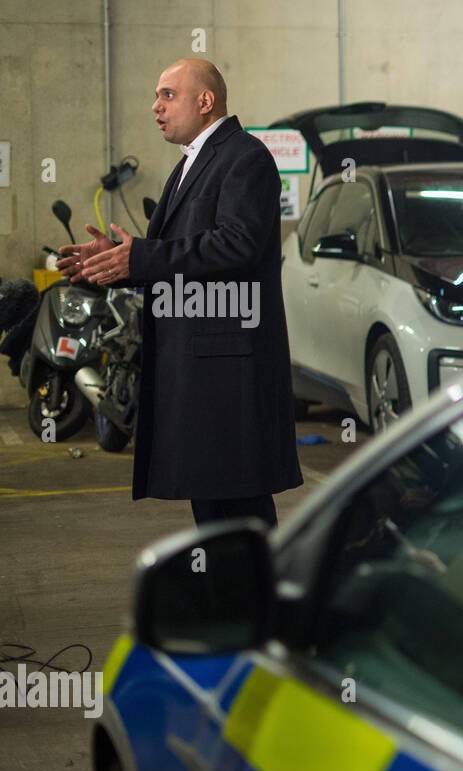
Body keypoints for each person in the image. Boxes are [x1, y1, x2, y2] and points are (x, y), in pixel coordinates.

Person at [56, 58, 301, 527]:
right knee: (214, 507)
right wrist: (116, 264)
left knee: (236, 509)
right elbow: (178, 256)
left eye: (167, 94)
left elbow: (238, 245)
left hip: (227, 370)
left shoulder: (244, 157)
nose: (155, 107)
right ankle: (237, 597)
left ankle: (258, 599)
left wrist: (142, 258)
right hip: (198, 365)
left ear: (205, 101)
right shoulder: (194, 161)